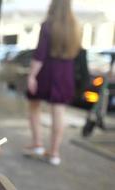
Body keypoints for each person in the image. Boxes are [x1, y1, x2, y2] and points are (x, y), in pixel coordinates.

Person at [24, 0, 81, 166]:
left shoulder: (48, 25)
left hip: (47, 71)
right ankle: (54, 153)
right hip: (66, 72)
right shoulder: (76, 27)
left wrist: (31, 76)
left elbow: (40, 54)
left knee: (34, 105)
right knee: (59, 111)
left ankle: (37, 144)